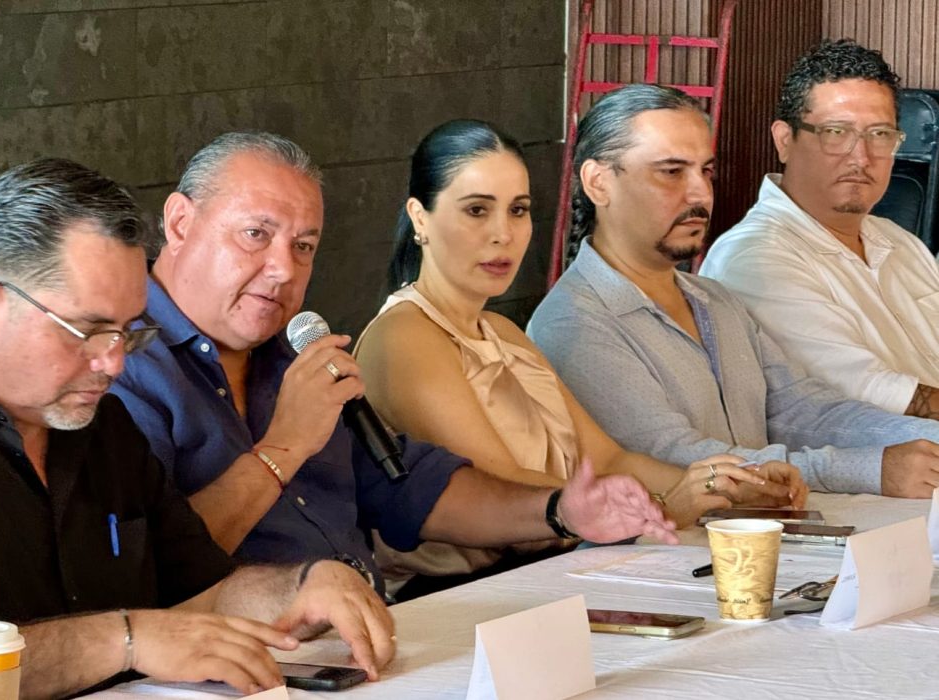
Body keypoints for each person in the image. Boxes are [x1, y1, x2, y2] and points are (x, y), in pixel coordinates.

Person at [0, 159, 398, 699]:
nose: (115, 363)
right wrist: (123, 639)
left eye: (129, 332)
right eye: (89, 331)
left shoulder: (98, 423)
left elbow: (197, 588)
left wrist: (299, 587)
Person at [110, 131, 680, 602]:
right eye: (256, 235)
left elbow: (412, 489)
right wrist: (284, 448)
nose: (283, 268)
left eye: (304, 246)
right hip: (230, 669)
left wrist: (560, 511)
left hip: (370, 640)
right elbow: (144, 567)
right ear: (180, 223)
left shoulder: (290, 355)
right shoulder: (118, 364)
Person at [353, 119, 805, 598]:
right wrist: (665, 505)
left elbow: (608, 457)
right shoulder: (404, 335)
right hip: (461, 596)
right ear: (420, 218)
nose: (503, 233)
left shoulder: (503, 331)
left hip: (556, 574)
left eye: (518, 210)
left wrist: (731, 487)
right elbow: (503, 488)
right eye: (477, 210)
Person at [528, 84, 939, 499]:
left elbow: (799, 410)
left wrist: (923, 441)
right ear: (598, 183)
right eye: (671, 172)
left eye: (705, 171)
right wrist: (867, 469)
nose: (700, 193)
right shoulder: (573, 323)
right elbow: (671, 458)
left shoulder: (715, 300)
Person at [702, 39, 939, 419]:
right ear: (785, 141)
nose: (861, 157)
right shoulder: (754, 258)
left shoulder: (900, 243)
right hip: (870, 454)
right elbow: (866, 393)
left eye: (880, 134)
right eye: (835, 132)